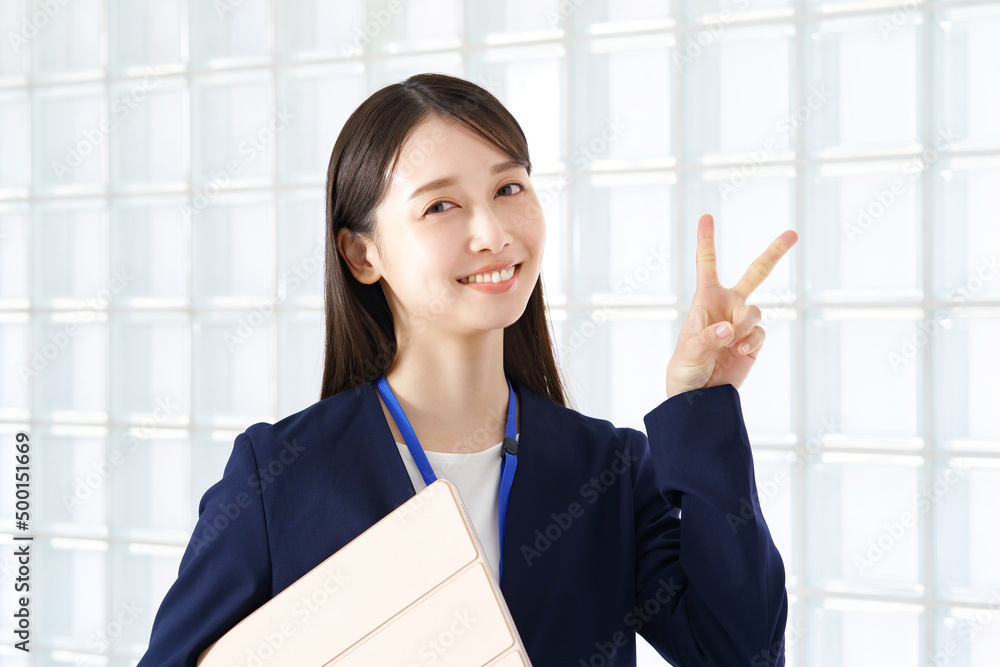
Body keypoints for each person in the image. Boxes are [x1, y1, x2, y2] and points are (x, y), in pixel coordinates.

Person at [137, 72, 796, 666]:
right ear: (362, 254)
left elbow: (742, 654)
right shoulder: (281, 474)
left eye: (509, 188)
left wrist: (701, 405)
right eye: (441, 205)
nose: (493, 233)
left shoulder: (607, 471)